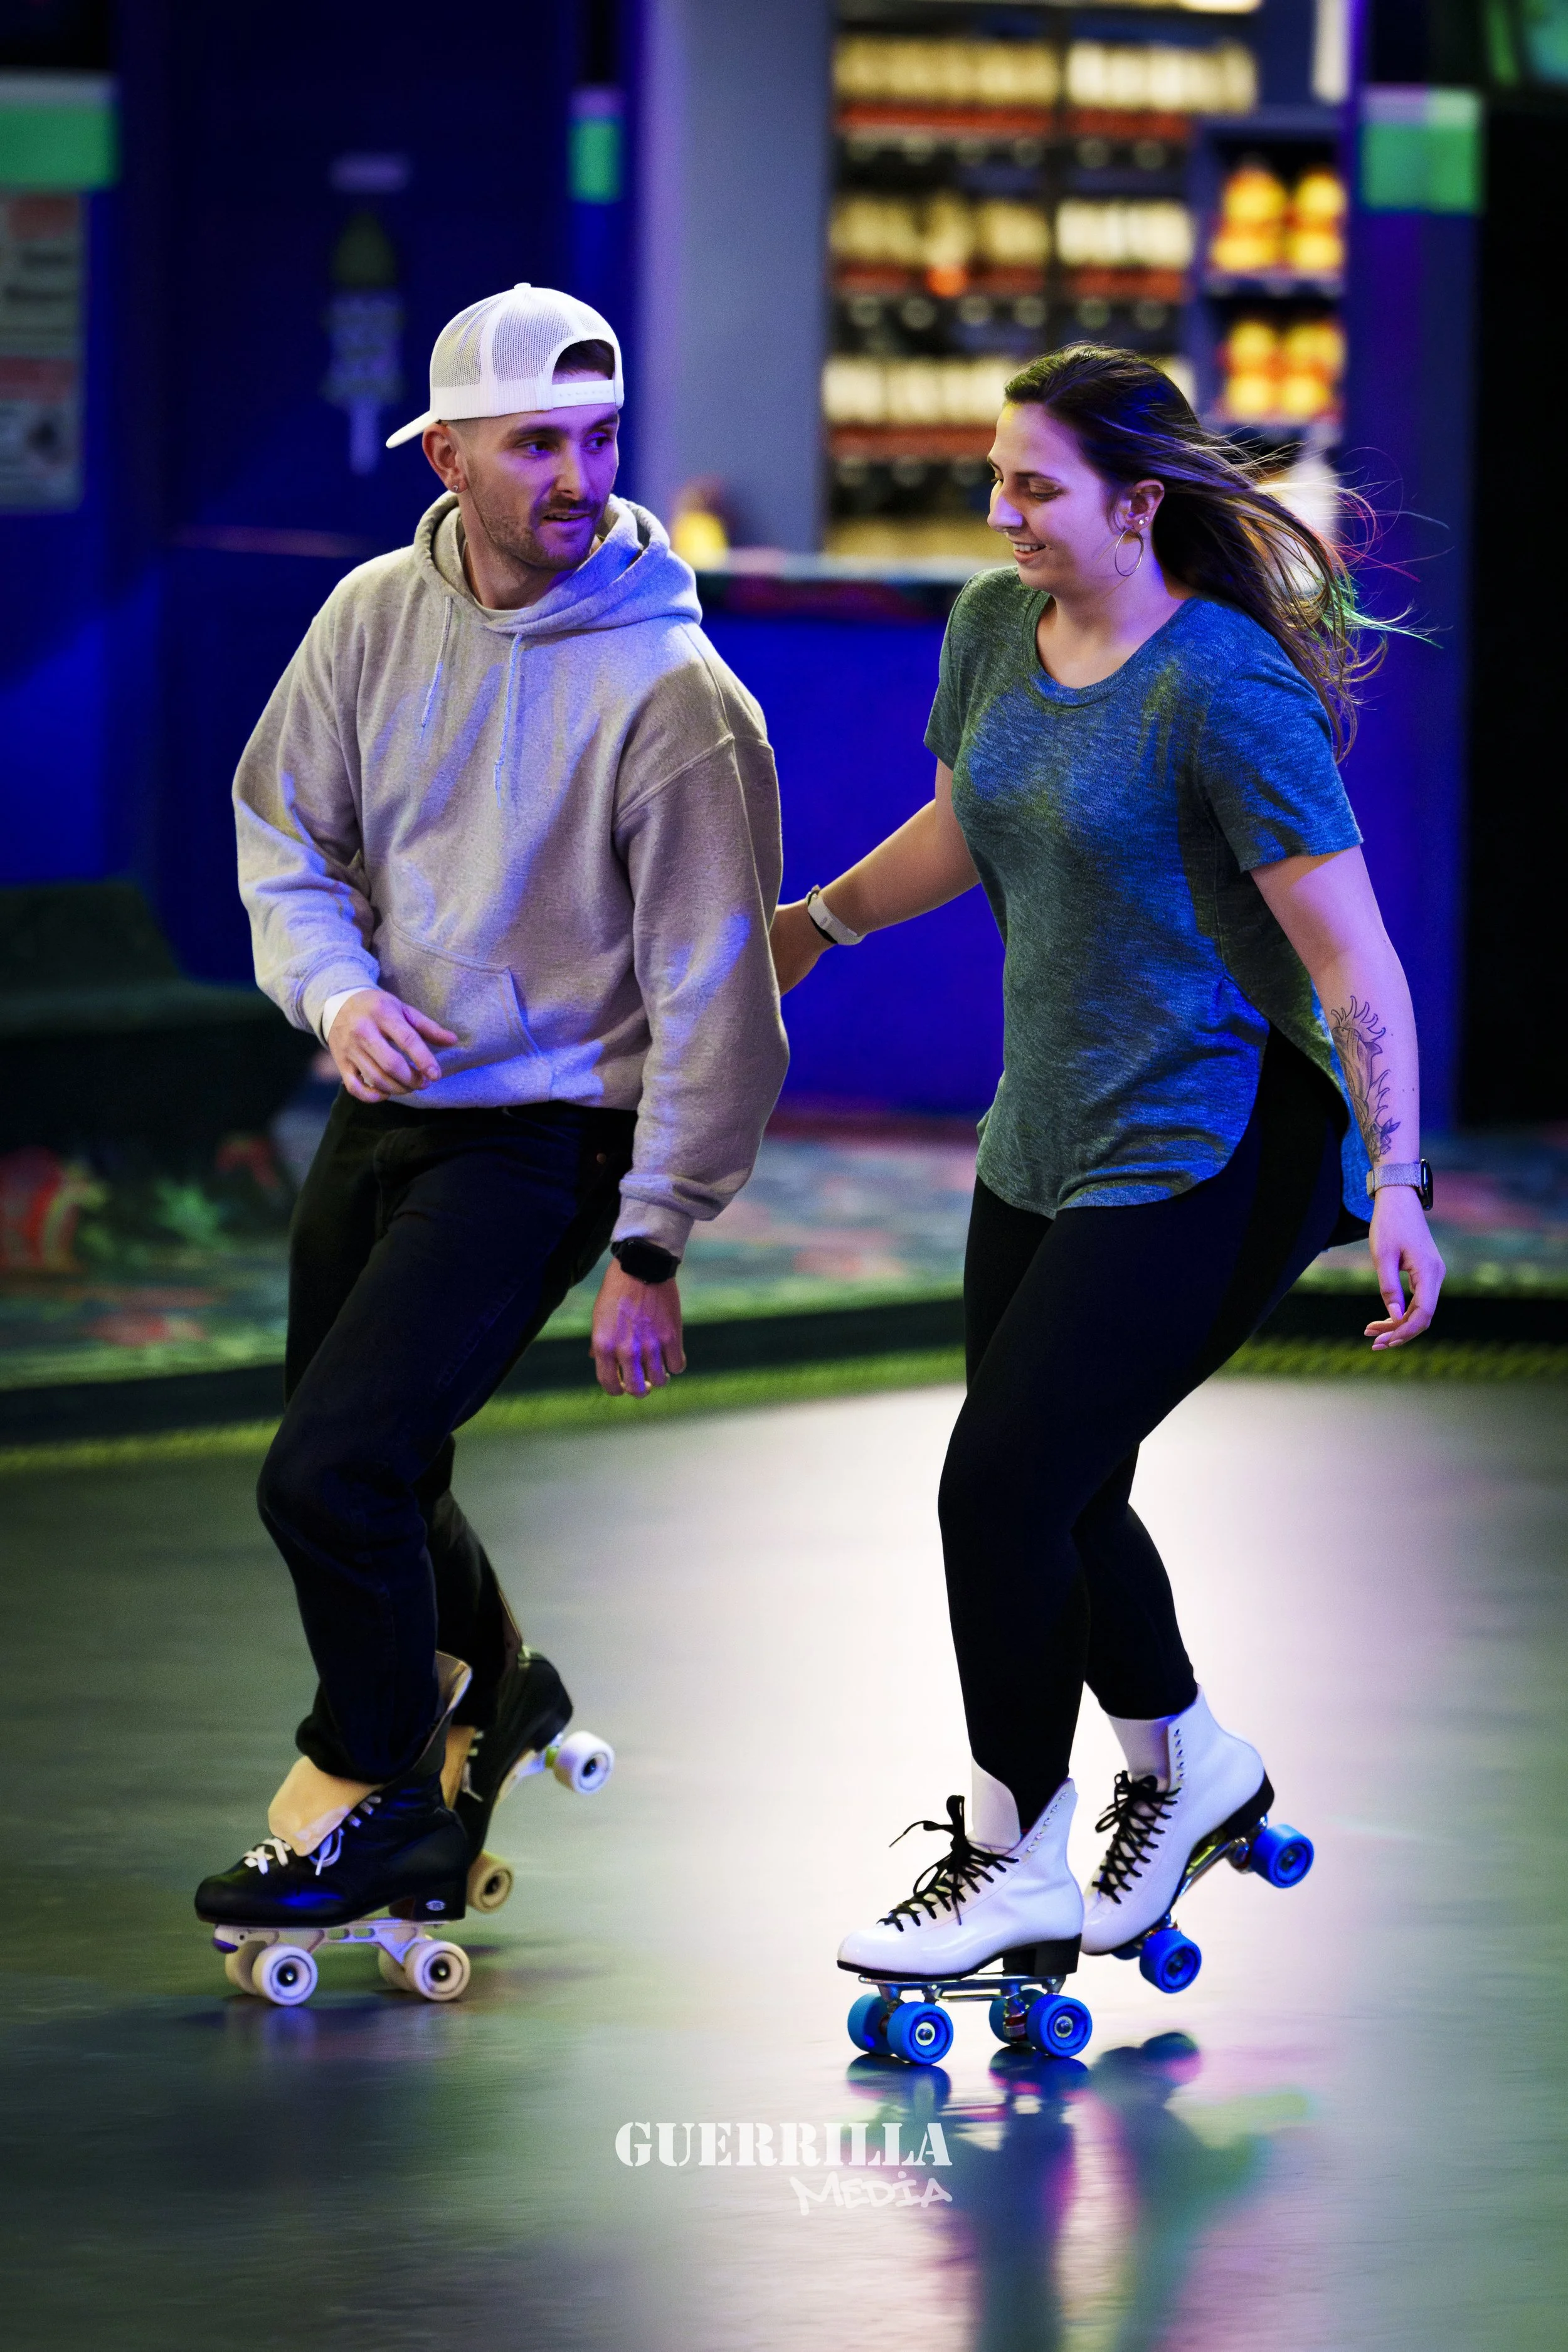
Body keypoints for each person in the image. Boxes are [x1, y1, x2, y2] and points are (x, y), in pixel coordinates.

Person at [772, 345, 1444, 1984]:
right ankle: (1190, 1758)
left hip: (1210, 1141)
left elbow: (1353, 962)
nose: (996, 509)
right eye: (993, 477)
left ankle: (1010, 1857)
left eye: (1030, 486)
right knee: (1062, 1482)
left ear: (1138, 504)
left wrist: (1403, 1179)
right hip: (1046, 1131)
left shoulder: (1221, 685)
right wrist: (817, 923)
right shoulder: (992, 627)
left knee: (998, 1479)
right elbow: (968, 817)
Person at [198, 283, 787, 1937]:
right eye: (536, 443)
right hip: (391, 1101)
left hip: (548, 1133)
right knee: (373, 1461)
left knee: (330, 1476)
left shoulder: (675, 693)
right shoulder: (373, 613)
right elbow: (284, 832)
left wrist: (654, 1237)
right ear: (446, 451)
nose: (577, 474)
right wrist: (337, 994)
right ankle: (500, 1695)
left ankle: (375, 1779)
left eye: (598, 438)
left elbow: (716, 993)